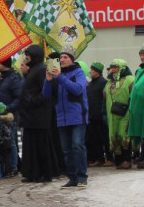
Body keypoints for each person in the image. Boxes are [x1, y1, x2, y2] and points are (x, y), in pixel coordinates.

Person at [44, 45, 89, 187]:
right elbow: (46, 94)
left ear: (71, 60)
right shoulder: (57, 74)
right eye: (61, 57)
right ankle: (72, 178)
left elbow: (77, 89)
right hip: (62, 117)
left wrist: (60, 77)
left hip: (77, 116)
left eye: (65, 57)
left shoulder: (78, 72)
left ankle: (82, 177)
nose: (62, 60)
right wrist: (48, 80)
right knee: (66, 150)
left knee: (77, 146)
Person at [17, 44, 56, 183]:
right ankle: (33, 172)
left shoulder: (40, 70)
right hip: (31, 115)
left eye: (28, 55)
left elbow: (46, 91)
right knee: (31, 146)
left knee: (39, 146)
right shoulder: (34, 69)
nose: (26, 58)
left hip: (38, 115)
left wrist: (32, 100)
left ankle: (41, 173)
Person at [0, 58, 23, 174]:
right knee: (3, 141)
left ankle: (13, 167)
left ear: (4, 64)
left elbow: (19, 97)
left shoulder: (13, 78)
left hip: (9, 115)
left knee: (10, 141)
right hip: (1, 115)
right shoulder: (2, 77)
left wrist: (8, 108)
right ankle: (5, 166)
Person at [104, 59, 133, 169]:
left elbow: (134, 95)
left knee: (124, 135)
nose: (113, 69)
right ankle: (119, 160)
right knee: (114, 135)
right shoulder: (109, 82)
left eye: (115, 67)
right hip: (112, 114)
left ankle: (127, 160)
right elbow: (104, 96)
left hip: (126, 113)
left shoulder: (130, 80)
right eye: (112, 67)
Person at [85, 62, 108, 168]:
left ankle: (100, 158)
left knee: (100, 138)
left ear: (98, 71)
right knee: (92, 138)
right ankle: (94, 157)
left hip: (98, 115)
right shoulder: (91, 83)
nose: (90, 71)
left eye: (93, 70)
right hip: (91, 115)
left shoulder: (103, 82)